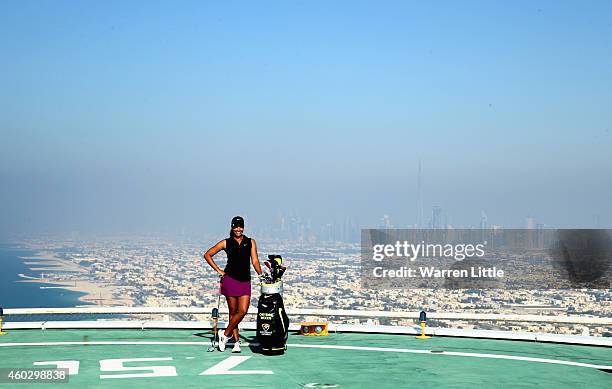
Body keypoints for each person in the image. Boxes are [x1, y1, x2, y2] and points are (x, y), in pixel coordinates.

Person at [203, 216, 263, 352]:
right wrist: (219, 270)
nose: (238, 229)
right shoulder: (226, 242)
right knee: (233, 311)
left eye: (240, 226)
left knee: (243, 310)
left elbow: (255, 261)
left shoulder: (251, 242)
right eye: (236, 226)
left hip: (245, 281)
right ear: (232, 227)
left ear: (243, 227)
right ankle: (236, 343)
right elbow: (207, 254)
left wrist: (260, 275)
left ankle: (224, 334)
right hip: (230, 279)